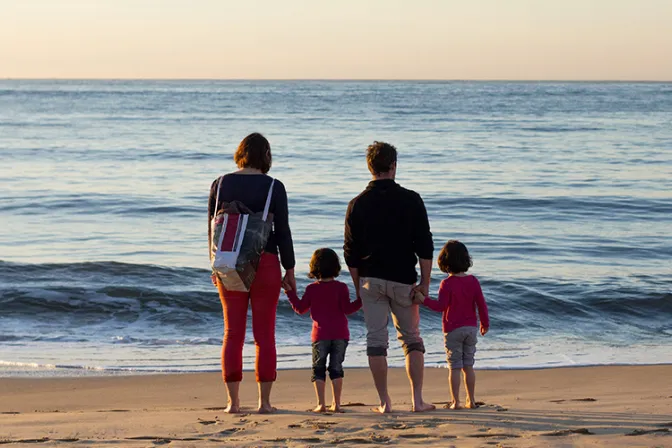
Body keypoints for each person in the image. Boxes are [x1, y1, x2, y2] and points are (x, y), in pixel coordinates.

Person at [343, 141, 435, 413]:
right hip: (403, 279)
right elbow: (425, 246)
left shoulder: (356, 204)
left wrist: (358, 285)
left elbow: (350, 253)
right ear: (394, 165)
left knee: (376, 341)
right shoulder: (412, 199)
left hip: (371, 280)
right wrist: (425, 283)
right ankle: (417, 400)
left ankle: (385, 403)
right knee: (412, 339)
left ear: (370, 167)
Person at [208, 133, 296, 414]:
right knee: (264, 335)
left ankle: (233, 403)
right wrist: (290, 269)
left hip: (228, 261)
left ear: (240, 152)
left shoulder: (220, 184)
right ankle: (264, 403)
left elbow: (212, 229)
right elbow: (283, 231)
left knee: (232, 333)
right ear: (266, 156)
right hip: (266, 263)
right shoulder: (274, 187)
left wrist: (214, 264)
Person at [283, 248, 361, 413]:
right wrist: (362, 300)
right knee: (336, 368)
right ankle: (337, 404)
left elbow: (300, 308)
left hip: (320, 335)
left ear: (314, 267)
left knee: (318, 368)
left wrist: (289, 292)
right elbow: (348, 309)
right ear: (336, 267)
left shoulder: (312, 289)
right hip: (341, 334)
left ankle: (321, 404)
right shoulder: (341, 288)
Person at [418, 240, 490, 409]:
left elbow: (440, 306)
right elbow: (481, 304)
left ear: (444, 262)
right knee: (468, 365)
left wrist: (424, 300)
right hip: (471, 328)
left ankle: (456, 402)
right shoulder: (473, 281)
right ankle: (471, 401)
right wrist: (484, 323)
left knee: (455, 366)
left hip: (452, 329)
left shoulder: (447, 284)